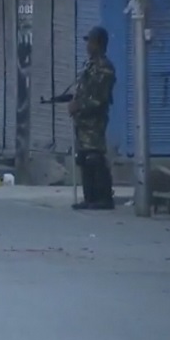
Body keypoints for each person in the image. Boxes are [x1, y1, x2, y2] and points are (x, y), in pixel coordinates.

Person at [70, 26, 117, 211]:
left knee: (94, 157)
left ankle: (104, 197)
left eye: (90, 41)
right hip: (82, 121)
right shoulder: (89, 65)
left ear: (99, 44)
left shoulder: (105, 68)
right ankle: (90, 198)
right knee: (83, 158)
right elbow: (83, 90)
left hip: (94, 121)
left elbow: (99, 98)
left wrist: (79, 106)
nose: (87, 46)